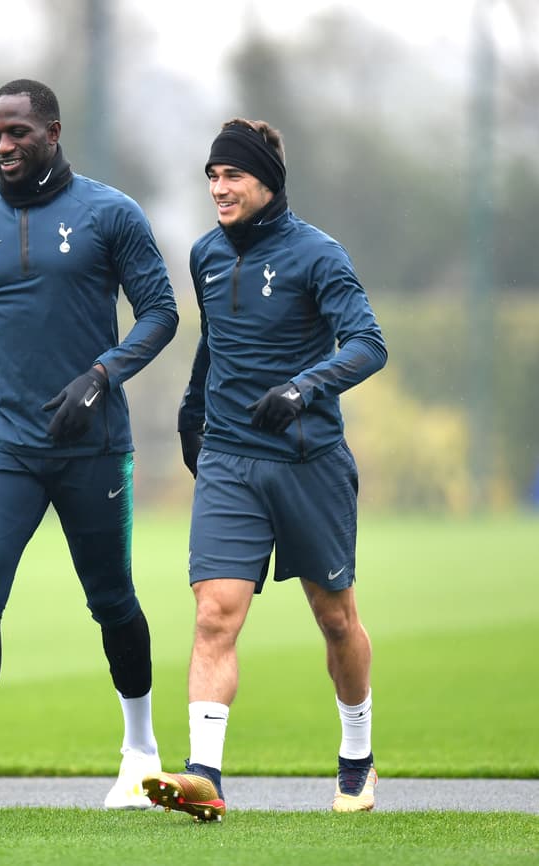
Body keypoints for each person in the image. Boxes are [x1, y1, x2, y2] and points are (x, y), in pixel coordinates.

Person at [0, 79, 180, 818]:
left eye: (17, 132)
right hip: (4, 445)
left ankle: (140, 755)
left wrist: (101, 375)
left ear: (52, 132)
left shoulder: (110, 214)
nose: (2, 145)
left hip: (94, 447)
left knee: (110, 599)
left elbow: (161, 312)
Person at [143, 119, 388, 821]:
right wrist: (194, 411)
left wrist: (303, 388)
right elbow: (212, 341)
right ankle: (203, 775)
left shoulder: (319, 255)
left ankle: (356, 756)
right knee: (215, 612)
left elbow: (370, 344)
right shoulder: (205, 255)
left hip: (309, 461)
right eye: (212, 176)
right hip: (230, 458)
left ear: (267, 181)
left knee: (335, 618)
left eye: (233, 176)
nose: (219, 188)